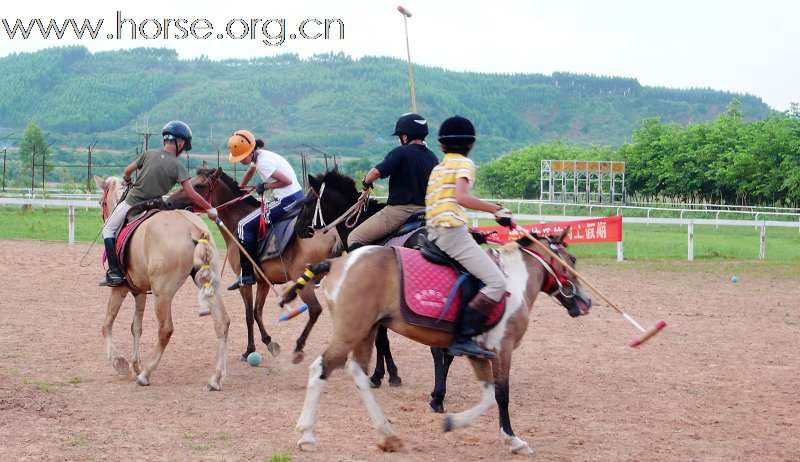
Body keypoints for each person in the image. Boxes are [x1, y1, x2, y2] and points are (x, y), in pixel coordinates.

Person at [425, 115, 514, 359]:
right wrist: (496, 210)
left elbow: (445, 203)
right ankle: (463, 337)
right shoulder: (465, 164)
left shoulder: (438, 167)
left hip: (433, 231)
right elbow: (461, 197)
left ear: (442, 146)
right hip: (450, 233)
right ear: (471, 144)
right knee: (497, 283)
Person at [100, 120, 218, 287]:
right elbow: (190, 193)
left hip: (132, 203)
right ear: (181, 142)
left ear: (166, 140)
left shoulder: (147, 154)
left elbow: (127, 171)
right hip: (156, 205)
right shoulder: (178, 166)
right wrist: (209, 208)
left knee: (108, 229)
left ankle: (114, 272)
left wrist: (127, 180)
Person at [347, 113, 439, 251]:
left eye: (400, 136)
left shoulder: (400, 152)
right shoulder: (433, 157)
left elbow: (375, 173)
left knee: (355, 237)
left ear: (405, 137)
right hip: (427, 212)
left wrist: (366, 183)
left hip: (399, 212)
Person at [226, 129, 304, 289]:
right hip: (294, 196)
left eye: (241, 157)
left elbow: (287, 181)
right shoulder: (260, 155)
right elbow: (251, 170)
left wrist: (266, 186)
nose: (240, 161)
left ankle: (247, 274)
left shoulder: (263, 162)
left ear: (250, 151)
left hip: (287, 200)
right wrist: (240, 188)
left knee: (243, 225)